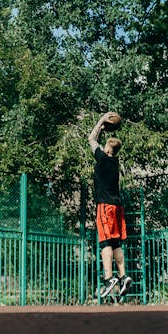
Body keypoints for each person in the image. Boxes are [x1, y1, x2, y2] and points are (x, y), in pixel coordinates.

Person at [88, 112, 132, 298]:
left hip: (105, 207)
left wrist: (101, 121)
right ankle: (123, 276)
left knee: (105, 241)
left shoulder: (103, 159)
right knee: (116, 243)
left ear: (106, 150)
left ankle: (109, 278)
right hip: (117, 207)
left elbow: (91, 138)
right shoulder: (115, 162)